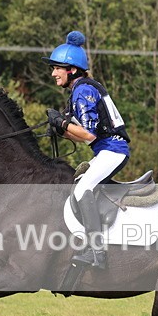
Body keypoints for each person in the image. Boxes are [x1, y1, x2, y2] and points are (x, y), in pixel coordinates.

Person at [44, 31, 131, 269]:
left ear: (71, 69)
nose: (53, 73)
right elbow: (81, 136)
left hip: (113, 149)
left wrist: (62, 124)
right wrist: (61, 130)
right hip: (106, 150)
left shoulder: (83, 90)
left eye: (57, 68)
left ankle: (97, 252)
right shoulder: (80, 90)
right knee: (80, 184)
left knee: (83, 189)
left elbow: (89, 135)